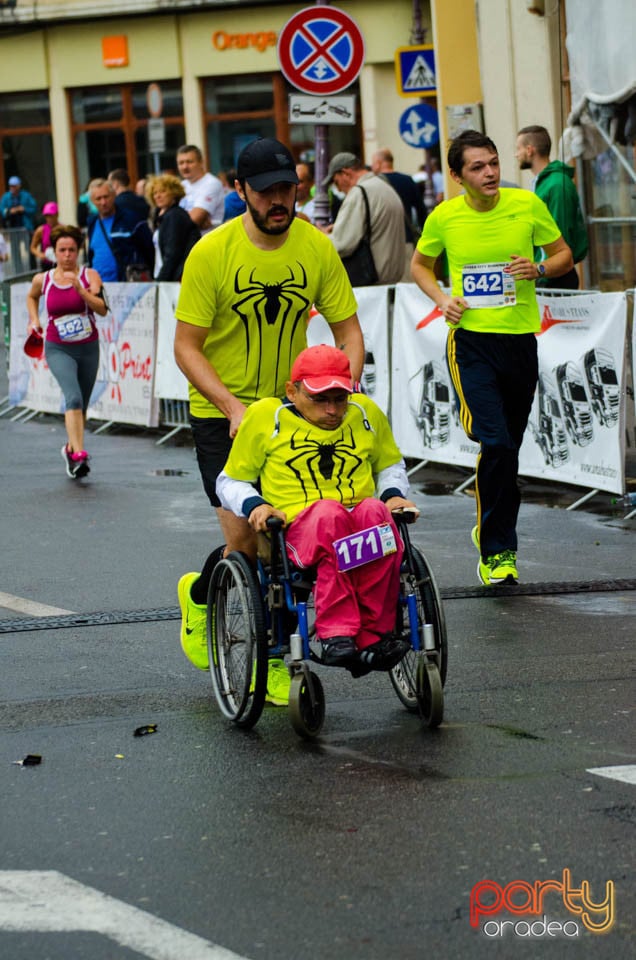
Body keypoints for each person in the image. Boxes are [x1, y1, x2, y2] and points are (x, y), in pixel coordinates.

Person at [173, 136, 364, 702]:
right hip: (221, 412)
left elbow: (348, 331)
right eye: (266, 192)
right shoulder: (212, 252)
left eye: (287, 189)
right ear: (240, 192)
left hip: (290, 410)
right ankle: (242, 632)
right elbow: (186, 347)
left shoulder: (316, 247)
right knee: (250, 542)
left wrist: (341, 393)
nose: (279, 201)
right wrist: (233, 406)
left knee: (293, 533)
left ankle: (273, 642)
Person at [411, 129, 573, 586]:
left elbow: (564, 254)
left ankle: (492, 525)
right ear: (457, 175)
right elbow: (420, 265)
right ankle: (498, 550)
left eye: (494, 163)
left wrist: (539, 268)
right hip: (471, 342)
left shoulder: (527, 205)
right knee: (495, 440)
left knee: (508, 450)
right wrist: (442, 299)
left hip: (520, 341)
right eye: (478, 167)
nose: (490, 173)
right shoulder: (445, 217)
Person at [217, 344, 417, 673]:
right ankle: (337, 632)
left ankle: (374, 635)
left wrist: (393, 493)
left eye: (340, 398)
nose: (332, 410)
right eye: (320, 399)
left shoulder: (365, 412)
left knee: (376, 513)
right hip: (298, 529)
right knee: (329, 514)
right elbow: (229, 481)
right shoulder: (267, 416)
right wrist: (256, 504)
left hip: (358, 524)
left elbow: (391, 464)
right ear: (292, 392)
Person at [25, 225, 108, 479]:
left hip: (88, 346)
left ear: (78, 251)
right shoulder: (44, 279)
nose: (68, 255)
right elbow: (32, 297)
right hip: (58, 347)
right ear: (54, 252)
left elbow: (102, 308)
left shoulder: (90, 275)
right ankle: (79, 455)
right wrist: (34, 320)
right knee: (72, 397)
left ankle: (70, 448)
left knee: (81, 403)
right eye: (62, 250)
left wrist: (81, 291)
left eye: (72, 250)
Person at [516, 124, 589, 289]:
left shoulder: (556, 185)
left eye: (518, 148)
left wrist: (542, 271)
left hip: (553, 278)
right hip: (545, 274)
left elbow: (558, 233)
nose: (516, 154)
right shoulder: (544, 183)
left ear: (529, 150)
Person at [321, 152, 405, 284]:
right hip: (392, 278)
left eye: (336, 182)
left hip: (371, 282)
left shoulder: (360, 192)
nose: (338, 189)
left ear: (346, 174)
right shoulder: (383, 185)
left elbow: (342, 244)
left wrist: (321, 237)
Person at [371, 147, 426, 280]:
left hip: (381, 243)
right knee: (407, 284)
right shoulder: (407, 180)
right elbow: (421, 210)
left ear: (378, 162)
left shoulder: (374, 184)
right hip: (405, 238)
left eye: (373, 163)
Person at [86, 178, 154, 282]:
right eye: (98, 199)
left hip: (127, 285)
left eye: (106, 197)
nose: (103, 202)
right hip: (99, 285)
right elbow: (91, 254)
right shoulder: (92, 222)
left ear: (114, 196)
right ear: (92, 201)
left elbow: (149, 249)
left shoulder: (131, 219)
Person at [145, 173, 200, 281]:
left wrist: (161, 279)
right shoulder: (160, 216)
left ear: (174, 193)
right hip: (167, 275)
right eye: (155, 192)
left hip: (175, 279)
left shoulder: (174, 216)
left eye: (163, 191)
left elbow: (173, 253)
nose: (158, 196)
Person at [176, 145, 225, 235]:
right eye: (181, 163)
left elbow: (194, 219)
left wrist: (173, 222)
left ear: (201, 162)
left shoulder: (211, 183)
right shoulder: (181, 185)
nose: (185, 167)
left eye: (189, 162)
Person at [30, 201, 59, 269]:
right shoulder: (41, 230)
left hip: (60, 263)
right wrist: (40, 255)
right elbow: (33, 247)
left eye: (51, 216)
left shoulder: (63, 228)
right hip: (47, 265)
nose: (49, 219)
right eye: (47, 216)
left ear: (57, 214)